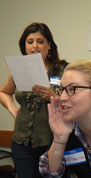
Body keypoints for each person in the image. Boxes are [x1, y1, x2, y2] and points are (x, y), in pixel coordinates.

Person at [0, 22, 68, 178]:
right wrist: (13, 109)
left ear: (49, 45)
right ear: (24, 46)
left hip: (52, 142)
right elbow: (3, 92)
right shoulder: (19, 70)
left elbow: (75, 104)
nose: (34, 46)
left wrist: (53, 97)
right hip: (22, 142)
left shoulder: (63, 70)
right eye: (30, 42)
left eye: (40, 41)